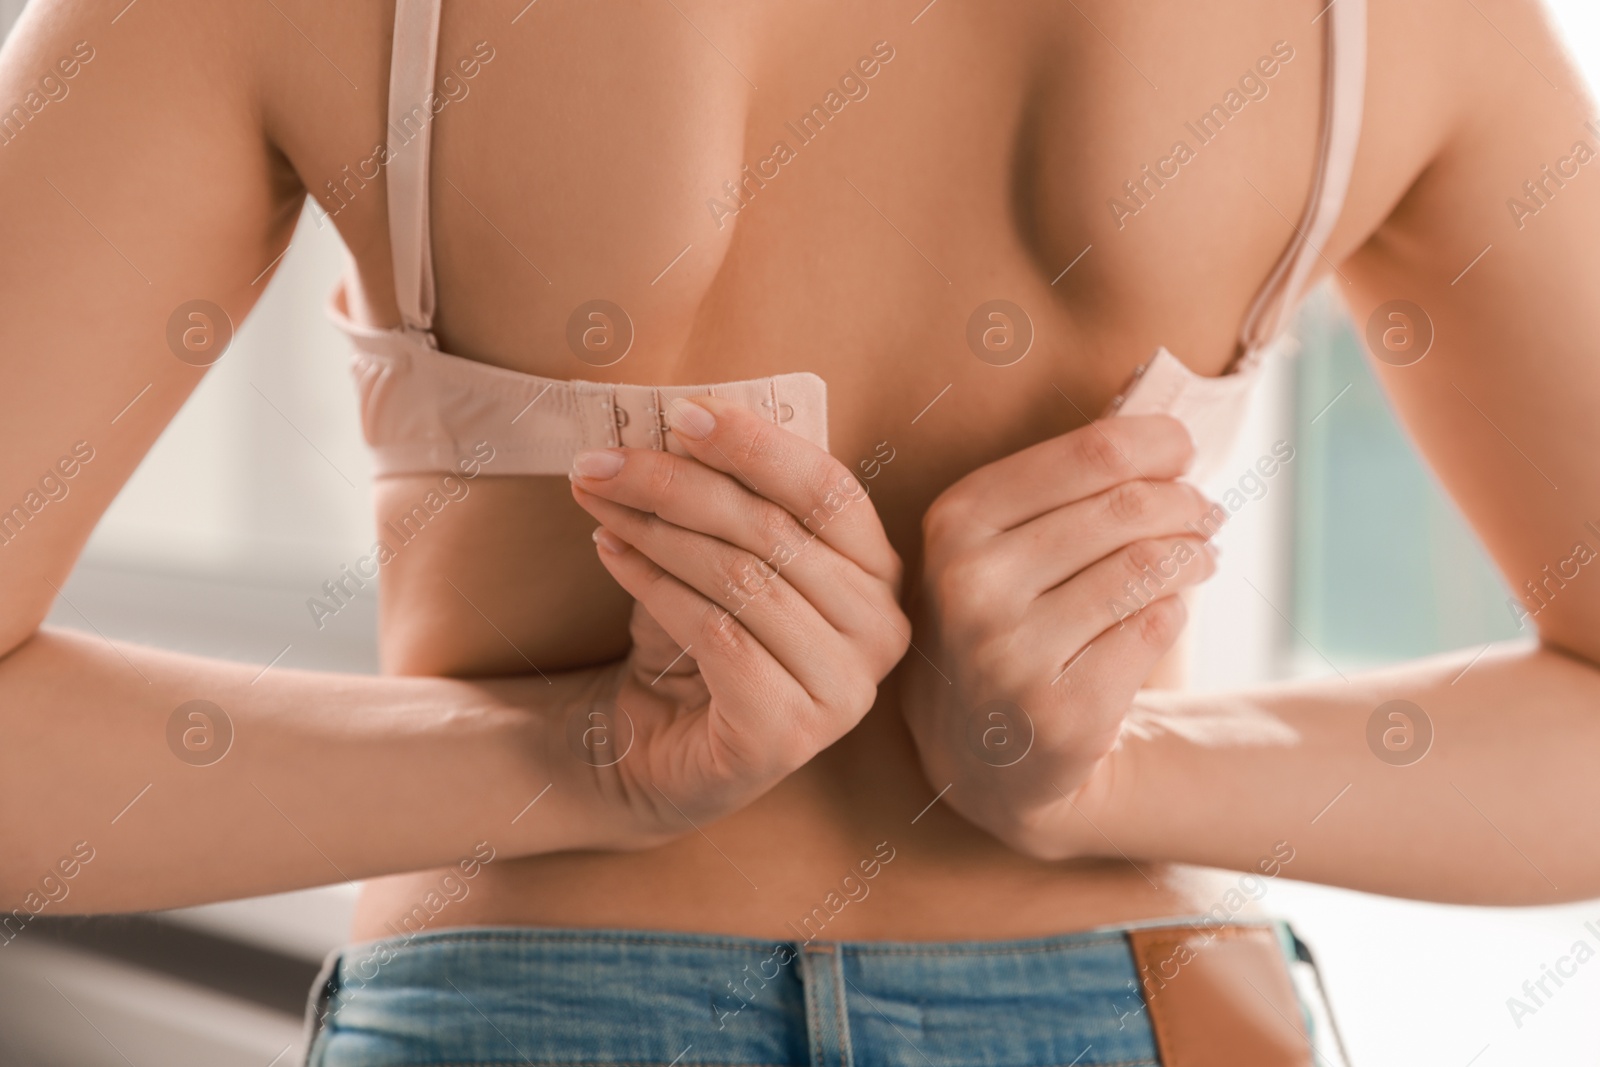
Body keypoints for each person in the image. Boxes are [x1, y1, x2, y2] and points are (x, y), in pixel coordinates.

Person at [2, 0, 1597, 1062]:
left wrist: (593, 762)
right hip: (1137, 1004)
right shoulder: (1394, 24)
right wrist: (1094, 779)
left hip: (521, 1003)